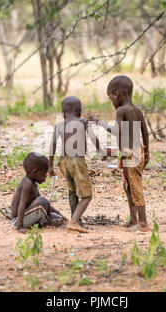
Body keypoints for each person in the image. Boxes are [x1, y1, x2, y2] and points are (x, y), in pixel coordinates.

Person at [90, 75, 150, 231]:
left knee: (135, 187)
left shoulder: (122, 111)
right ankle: (133, 219)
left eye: (111, 98)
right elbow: (145, 132)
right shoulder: (137, 111)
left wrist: (100, 123)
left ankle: (143, 223)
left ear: (116, 94)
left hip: (132, 154)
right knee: (128, 186)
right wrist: (147, 151)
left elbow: (116, 131)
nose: (112, 102)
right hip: (136, 152)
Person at [49, 96, 106, 233]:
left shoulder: (59, 125)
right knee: (87, 196)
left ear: (62, 113)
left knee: (72, 190)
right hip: (77, 162)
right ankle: (74, 221)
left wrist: (50, 165)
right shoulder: (83, 122)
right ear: (79, 111)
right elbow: (93, 137)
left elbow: (53, 145)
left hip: (63, 162)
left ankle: (76, 220)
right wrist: (102, 151)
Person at [11, 152, 66, 233]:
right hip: (19, 220)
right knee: (42, 201)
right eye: (43, 174)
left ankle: (44, 223)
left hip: (28, 214)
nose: (46, 177)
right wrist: (19, 226)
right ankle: (45, 223)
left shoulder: (33, 183)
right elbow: (22, 205)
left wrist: (59, 213)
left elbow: (44, 205)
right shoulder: (28, 184)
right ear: (35, 172)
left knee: (59, 218)